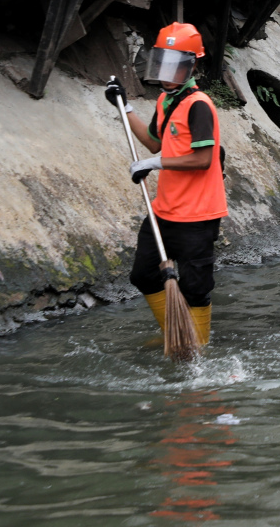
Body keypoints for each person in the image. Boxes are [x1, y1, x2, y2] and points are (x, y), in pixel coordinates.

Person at [105, 23, 226, 346]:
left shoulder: (199, 105)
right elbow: (154, 143)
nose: (167, 74)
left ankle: (196, 347)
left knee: (196, 288)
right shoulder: (165, 101)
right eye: (163, 64)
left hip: (197, 216)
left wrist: (154, 164)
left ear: (192, 66)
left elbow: (203, 159)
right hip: (165, 210)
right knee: (143, 274)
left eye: (175, 66)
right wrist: (125, 108)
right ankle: (174, 332)